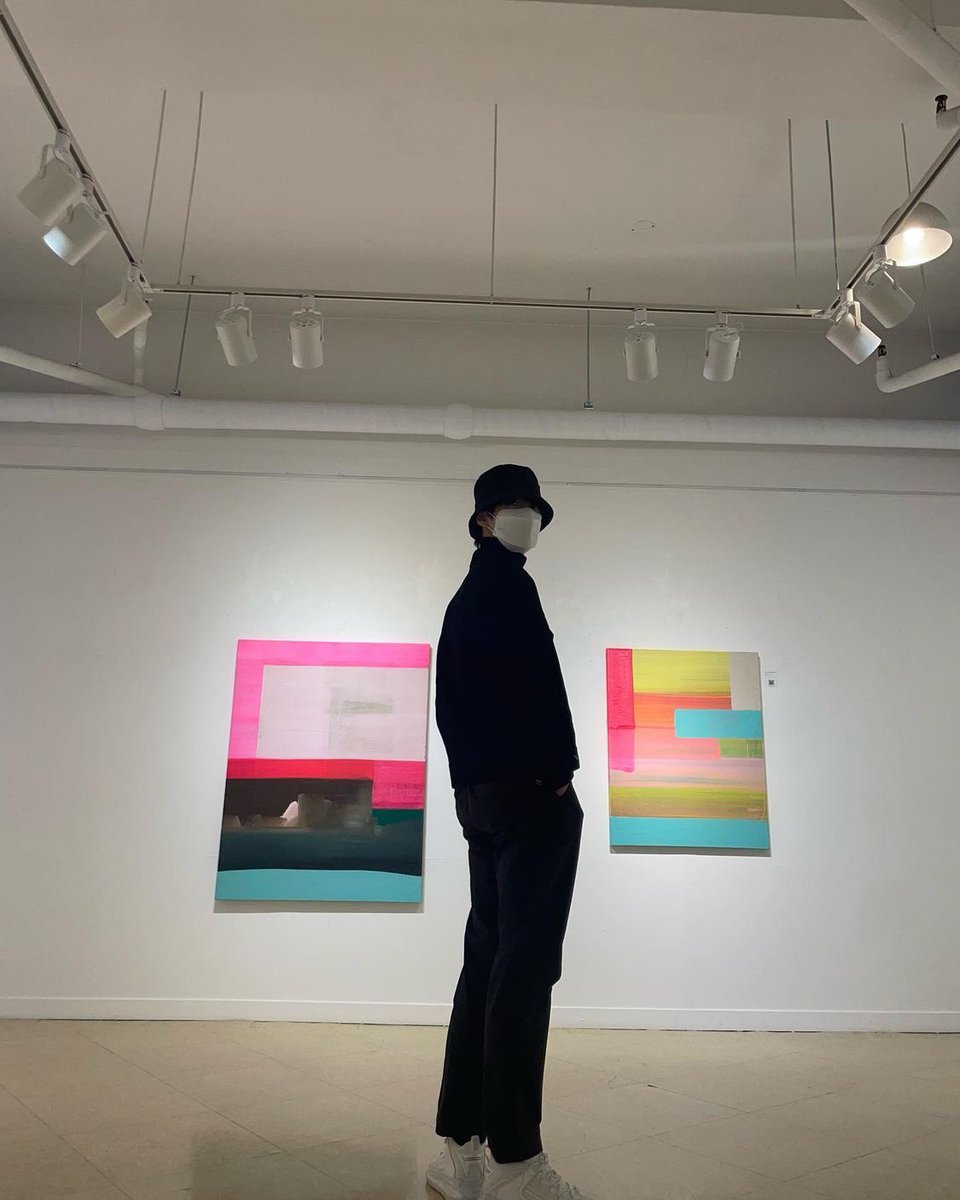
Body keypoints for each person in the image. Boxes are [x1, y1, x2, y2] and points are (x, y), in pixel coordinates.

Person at [427, 464, 588, 1200]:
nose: (527, 517)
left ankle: (462, 1150)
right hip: (528, 805)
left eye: (532, 506)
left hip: (485, 804)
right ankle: (516, 1163)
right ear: (483, 519)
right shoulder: (510, 589)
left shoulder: (465, 599)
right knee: (523, 973)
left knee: (487, 965)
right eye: (512, 506)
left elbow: (455, 711)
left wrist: (472, 786)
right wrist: (555, 776)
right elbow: (535, 696)